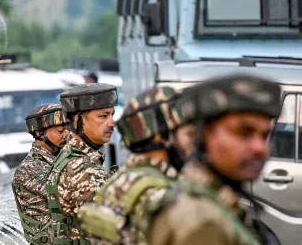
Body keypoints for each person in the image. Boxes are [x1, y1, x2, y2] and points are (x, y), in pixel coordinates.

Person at [149, 74, 282, 245]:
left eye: (264, 136)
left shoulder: (213, 202)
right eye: (244, 132)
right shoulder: (200, 220)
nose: (260, 148)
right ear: (201, 136)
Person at [78, 86, 197, 245]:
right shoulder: (161, 196)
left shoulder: (121, 181)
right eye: (188, 134)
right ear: (161, 136)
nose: (193, 143)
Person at [45, 83, 118, 243]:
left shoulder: (66, 155)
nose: (112, 123)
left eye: (112, 115)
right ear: (78, 120)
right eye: (103, 116)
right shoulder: (85, 171)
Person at [11, 103, 71, 245]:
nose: (66, 136)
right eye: (60, 131)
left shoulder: (60, 159)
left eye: (68, 131)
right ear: (39, 133)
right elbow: (70, 198)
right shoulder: (31, 169)